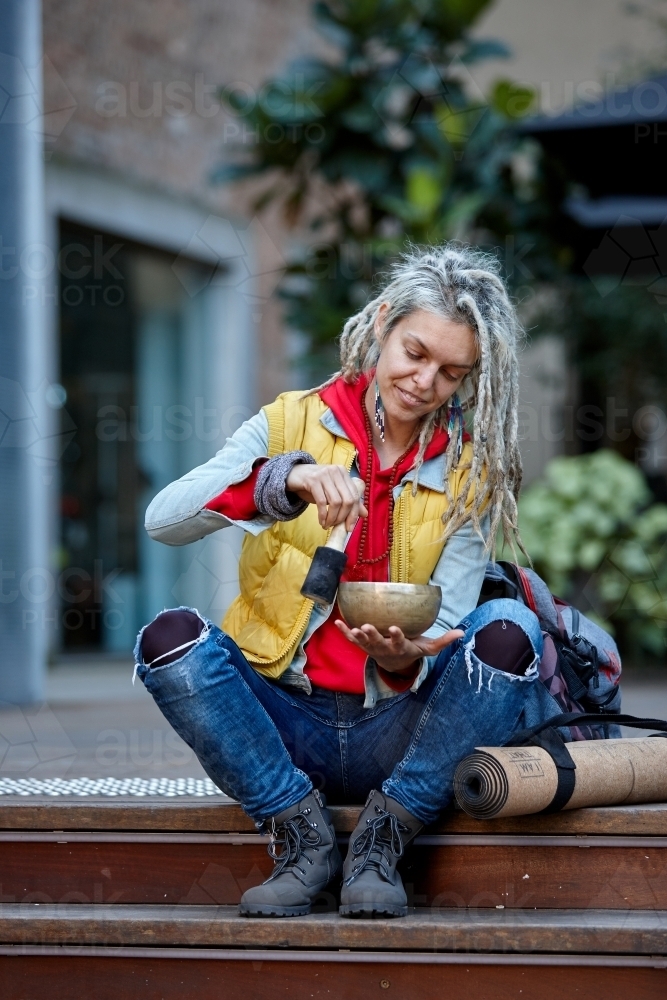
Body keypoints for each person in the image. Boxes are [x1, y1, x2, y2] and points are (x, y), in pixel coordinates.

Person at [136, 244, 562, 920]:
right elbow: (163, 520)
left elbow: (447, 612)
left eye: (452, 373)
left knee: (510, 630)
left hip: (400, 734)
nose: (425, 382)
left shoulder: (468, 470)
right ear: (384, 323)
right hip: (280, 725)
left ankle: (384, 838)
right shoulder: (285, 422)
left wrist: (401, 658)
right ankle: (300, 836)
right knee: (169, 641)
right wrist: (284, 479)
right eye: (415, 353)